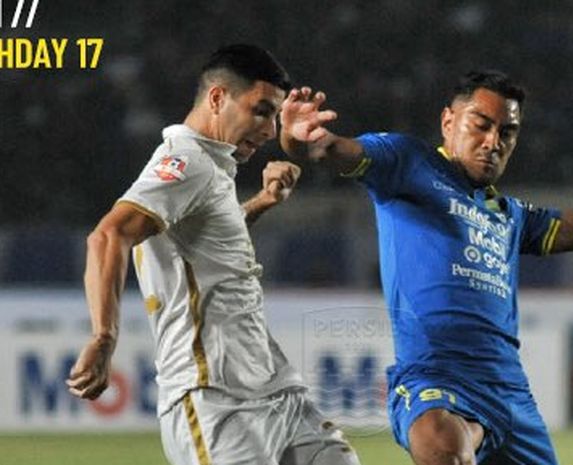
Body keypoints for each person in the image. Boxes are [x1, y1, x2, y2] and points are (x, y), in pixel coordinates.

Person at [279, 71, 573, 465]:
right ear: (448, 121)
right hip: (436, 379)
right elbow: (328, 148)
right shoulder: (407, 164)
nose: (493, 140)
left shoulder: (512, 216)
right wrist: (299, 138)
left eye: (507, 132)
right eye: (481, 124)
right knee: (443, 446)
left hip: (511, 397)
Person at [66, 44, 361, 465]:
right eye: (261, 110)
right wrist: (103, 336)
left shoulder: (211, 165)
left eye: (274, 116)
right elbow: (108, 236)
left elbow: (204, 243)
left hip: (274, 388)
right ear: (218, 98)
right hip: (215, 398)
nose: (268, 128)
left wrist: (261, 202)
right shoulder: (184, 162)